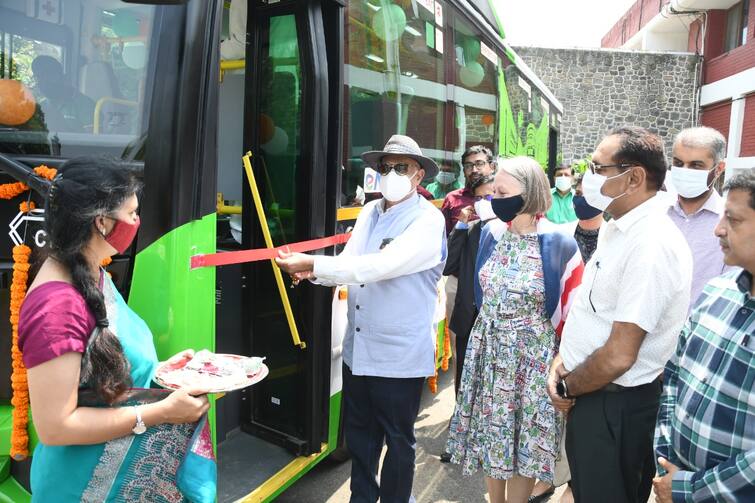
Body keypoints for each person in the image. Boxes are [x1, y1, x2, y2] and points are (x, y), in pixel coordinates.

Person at [18, 157, 213, 502]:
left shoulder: (89, 271)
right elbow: (55, 426)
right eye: (132, 213)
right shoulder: (57, 308)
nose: (138, 221)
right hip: (80, 487)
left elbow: (97, 368)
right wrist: (160, 412)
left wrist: (163, 372)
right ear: (102, 222)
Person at [275, 134, 446, 503]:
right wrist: (313, 273)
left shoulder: (428, 221)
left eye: (402, 167)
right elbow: (351, 260)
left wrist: (314, 262)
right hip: (360, 351)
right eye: (386, 167)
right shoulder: (370, 212)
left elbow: (380, 266)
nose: (392, 174)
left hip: (399, 358)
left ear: (419, 177)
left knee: (398, 442)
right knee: (361, 440)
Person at [549, 126, 693, 503]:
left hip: (613, 405)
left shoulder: (651, 244)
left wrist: (567, 386)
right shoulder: (620, 227)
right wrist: (564, 360)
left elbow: (619, 354)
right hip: (593, 395)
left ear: (634, 177)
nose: (586, 179)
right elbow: (592, 314)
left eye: (598, 169)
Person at [446, 156, 583, 503]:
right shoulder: (490, 233)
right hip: (490, 353)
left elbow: (571, 315)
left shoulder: (560, 244)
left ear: (530, 193)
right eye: (495, 191)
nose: (495, 198)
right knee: (495, 437)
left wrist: (562, 367)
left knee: (524, 444)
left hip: (532, 358)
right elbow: (482, 293)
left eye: (503, 192)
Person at [652, 169, 754, 503]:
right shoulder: (717, 292)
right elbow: (675, 376)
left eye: (734, 221)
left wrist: (691, 489)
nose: (718, 229)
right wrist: (666, 459)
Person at [442, 174, 496, 394]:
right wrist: (461, 227)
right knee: (465, 377)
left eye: (490, 196)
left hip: (495, 322)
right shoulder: (471, 229)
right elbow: (448, 265)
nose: (484, 202)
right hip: (468, 318)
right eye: (479, 198)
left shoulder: (513, 232)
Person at [667, 126, 731, 308]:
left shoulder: (731, 224)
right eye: (678, 163)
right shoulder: (655, 213)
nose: (685, 170)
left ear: (718, 169)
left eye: (696, 165)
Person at [440, 145, 497, 234]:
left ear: (492, 167)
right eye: (468, 166)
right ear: (463, 171)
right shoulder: (453, 198)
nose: (474, 170)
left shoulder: (503, 195)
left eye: (479, 164)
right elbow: (443, 238)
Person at [572, 172, 603, 263]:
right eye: (578, 193)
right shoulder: (565, 232)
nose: (581, 199)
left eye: (588, 195)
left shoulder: (612, 237)